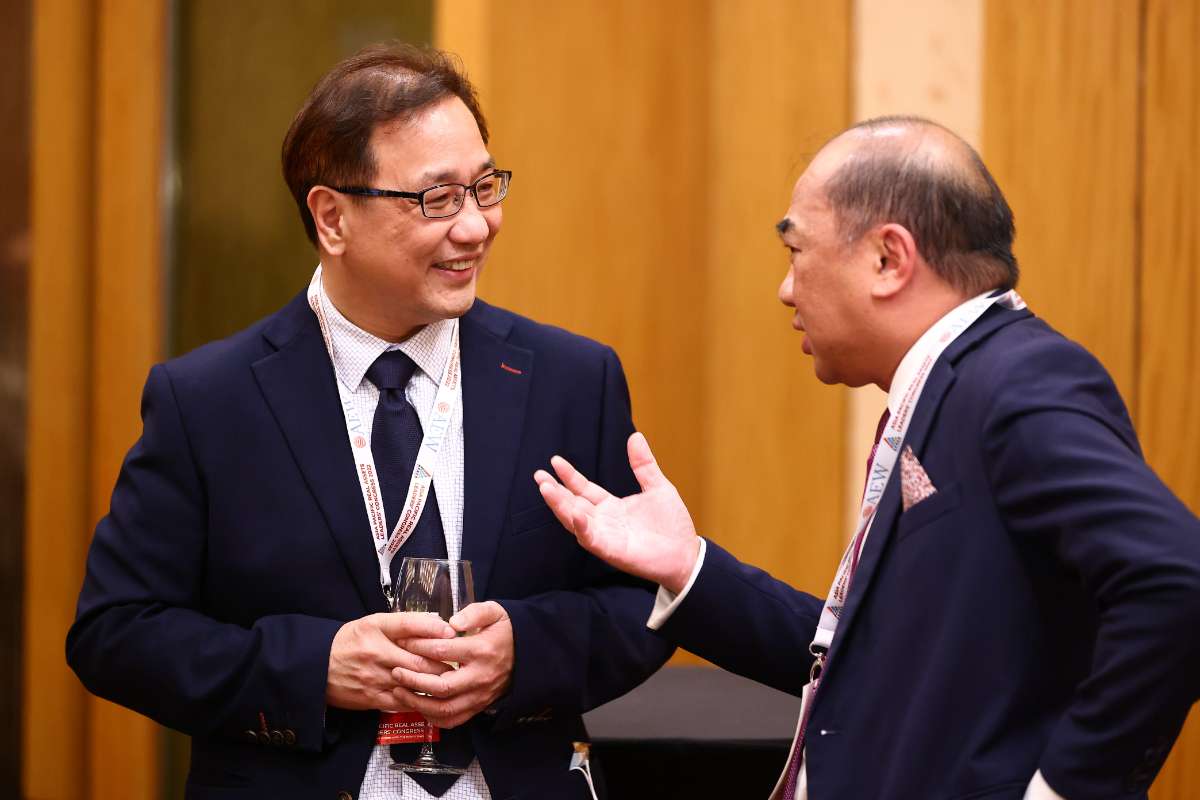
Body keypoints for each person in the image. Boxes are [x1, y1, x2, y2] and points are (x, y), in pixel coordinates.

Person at [67, 43, 672, 800]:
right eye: (437, 198)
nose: (476, 227)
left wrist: (525, 651)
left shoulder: (571, 380)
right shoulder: (209, 401)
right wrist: (313, 667)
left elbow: (648, 605)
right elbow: (116, 633)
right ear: (332, 218)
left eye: (485, 188)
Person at [535, 117, 1200, 800]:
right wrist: (688, 567)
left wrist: (1064, 791)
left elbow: (1178, 581)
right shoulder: (955, 385)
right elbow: (874, 665)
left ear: (888, 259)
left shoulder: (1018, 380)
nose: (785, 289)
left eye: (796, 250)